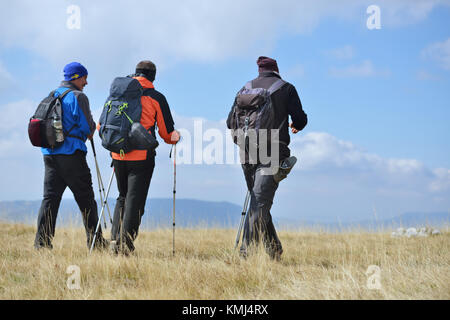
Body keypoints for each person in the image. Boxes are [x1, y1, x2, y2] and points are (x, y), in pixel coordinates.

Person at [227, 56, 308, 260]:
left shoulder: (244, 89)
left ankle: (274, 250)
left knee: (258, 202)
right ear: (276, 69)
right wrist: (296, 125)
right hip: (272, 151)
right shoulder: (286, 88)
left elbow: (230, 121)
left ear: (259, 70)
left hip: (246, 153)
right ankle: (246, 257)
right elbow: (300, 118)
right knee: (259, 204)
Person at [107, 60, 180, 255]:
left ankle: (115, 240)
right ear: (153, 76)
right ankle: (125, 247)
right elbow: (167, 134)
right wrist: (176, 137)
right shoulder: (156, 97)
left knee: (122, 197)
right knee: (135, 201)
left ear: (136, 72)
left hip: (118, 154)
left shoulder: (118, 93)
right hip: (141, 156)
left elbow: (102, 125)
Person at [34, 62, 107, 250]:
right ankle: (96, 243)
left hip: (49, 153)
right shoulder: (78, 97)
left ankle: (42, 244)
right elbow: (87, 128)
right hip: (71, 154)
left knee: (50, 198)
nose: (86, 82)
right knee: (86, 198)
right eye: (84, 78)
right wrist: (92, 129)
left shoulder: (52, 95)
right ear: (76, 77)